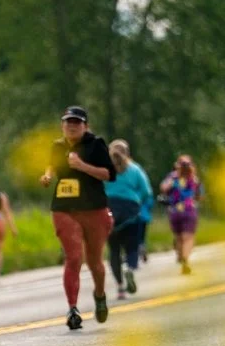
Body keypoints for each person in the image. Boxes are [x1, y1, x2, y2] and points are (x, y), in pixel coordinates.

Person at [40, 106, 116, 329]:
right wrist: (47, 175)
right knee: (73, 257)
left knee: (94, 262)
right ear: (62, 125)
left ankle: (100, 295)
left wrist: (82, 166)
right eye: (68, 122)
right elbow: (52, 165)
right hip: (64, 208)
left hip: (94, 208)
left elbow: (109, 174)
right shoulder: (57, 146)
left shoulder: (96, 144)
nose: (72, 126)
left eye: (77, 122)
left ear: (86, 126)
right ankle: (72, 308)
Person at [105, 140, 151, 299]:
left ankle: (120, 287)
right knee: (132, 247)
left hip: (110, 211)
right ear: (128, 153)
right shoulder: (135, 169)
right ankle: (129, 268)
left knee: (114, 250)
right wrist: (137, 201)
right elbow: (146, 191)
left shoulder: (103, 169)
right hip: (130, 211)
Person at [160, 154, 204, 275]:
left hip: (174, 211)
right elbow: (200, 195)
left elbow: (163, 188)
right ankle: (185, 259)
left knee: (179, 237)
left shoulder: (172, 177)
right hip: (189, 210)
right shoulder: (194, 179)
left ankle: (180, 255)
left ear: (177, 165)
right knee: (188, 238)